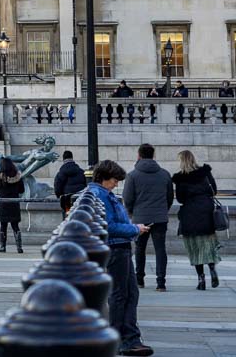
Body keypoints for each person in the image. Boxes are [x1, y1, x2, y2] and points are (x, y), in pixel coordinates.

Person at [89, 160, 154, 357]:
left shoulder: (101, 193)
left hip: (119, 247)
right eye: (114, 180)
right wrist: (135, 229)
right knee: (120, 295)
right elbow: (108, 226)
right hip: (115, 248)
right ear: (103, 178)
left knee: (129, 294)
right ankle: (120, 340)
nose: (116, 184)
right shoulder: (100, 194)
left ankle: (129, 338)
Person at [124, 143, 173, 292]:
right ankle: (161, 282)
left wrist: (133, 212)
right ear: (153, 155)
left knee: (140, 248)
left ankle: (139, 279)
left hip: (140, 216)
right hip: (160, 217)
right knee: (160, 249)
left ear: (139, 155)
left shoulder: (132, 175)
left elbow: (127, 198)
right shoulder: (164, 174)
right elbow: (169, 197)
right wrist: (163, 210)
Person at [172, 149, 221, 290]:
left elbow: (180, 198)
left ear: (182, 161)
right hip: (206, 210)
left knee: (194, 247)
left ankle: (201, 279)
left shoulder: (180, 178)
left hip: (189, 213)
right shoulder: (205, 172)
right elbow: (214, 190)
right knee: (208, 243)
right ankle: (212, 268)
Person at [0, 158, 24, 253]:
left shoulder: (0, 176)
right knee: (15, 225)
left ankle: (3, 246)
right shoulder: (18, 176)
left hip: (3, 203)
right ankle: (19, 247)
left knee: (3, 225)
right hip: (14, 203)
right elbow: (22, 190)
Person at [53, 150, 88, 215]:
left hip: (67, 200)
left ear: (63, 159)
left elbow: (57, 186)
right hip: (80, 198)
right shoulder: (81, 172)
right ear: (72, 158)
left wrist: (59, 196)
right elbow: (86, 184)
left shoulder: (61, 173)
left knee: (68, 218)